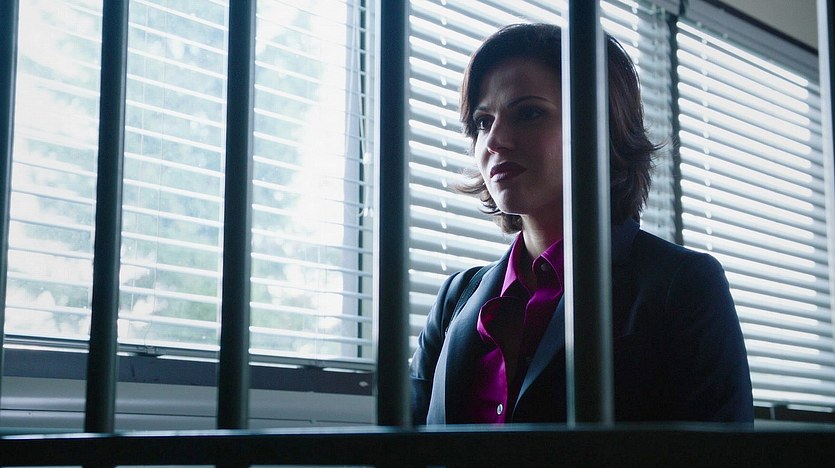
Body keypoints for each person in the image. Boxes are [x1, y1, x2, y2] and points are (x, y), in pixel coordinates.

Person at [409, 23, 754, 425]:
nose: (494, 140)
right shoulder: (455, 299)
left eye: (529, 113)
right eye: (483, 121)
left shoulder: (682, 285)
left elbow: (718, 449)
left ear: (598, 127)